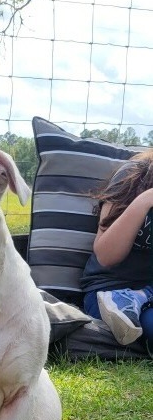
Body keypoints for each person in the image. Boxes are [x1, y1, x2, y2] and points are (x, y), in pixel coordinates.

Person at [81, 150, 153, 351]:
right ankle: (135, 297)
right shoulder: (135, 174)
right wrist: (146, 199)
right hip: (111, 295)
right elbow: (106, 255)